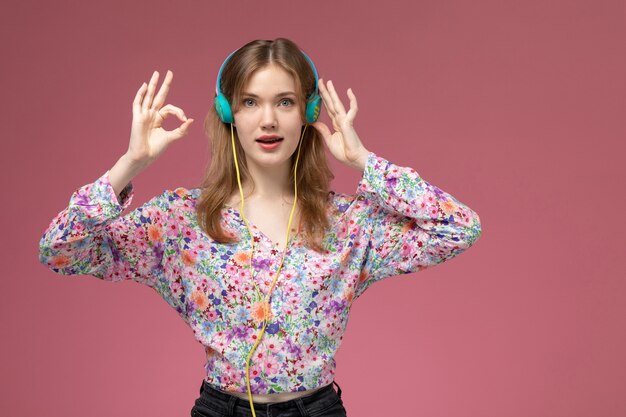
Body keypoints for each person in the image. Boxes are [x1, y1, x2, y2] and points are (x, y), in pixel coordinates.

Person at [39, 38, 482, 417]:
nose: (268, 120)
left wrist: (364, 162)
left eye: (285, 102)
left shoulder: (348, 222)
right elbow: (60, 250)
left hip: (317, 409)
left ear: (308, 112)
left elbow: (459, 227)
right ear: (228, 112)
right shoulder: (180, 220)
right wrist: (130, 163)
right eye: (250, 102)